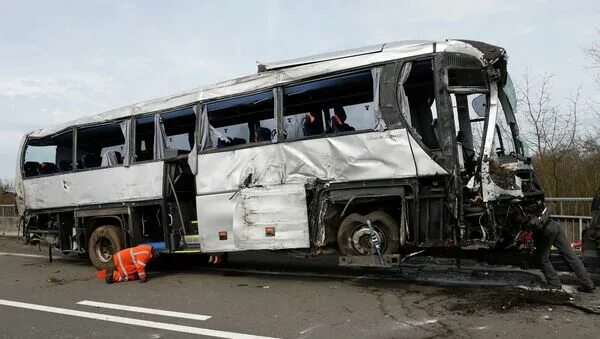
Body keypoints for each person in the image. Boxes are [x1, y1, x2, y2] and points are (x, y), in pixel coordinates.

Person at [528, 206, 595, 292]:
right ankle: (588, 283)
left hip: (546, 231)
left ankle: (554, 283)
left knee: (543, 259)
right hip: (554, 225)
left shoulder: (520, 212)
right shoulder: (532, 205)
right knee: (571, 255)